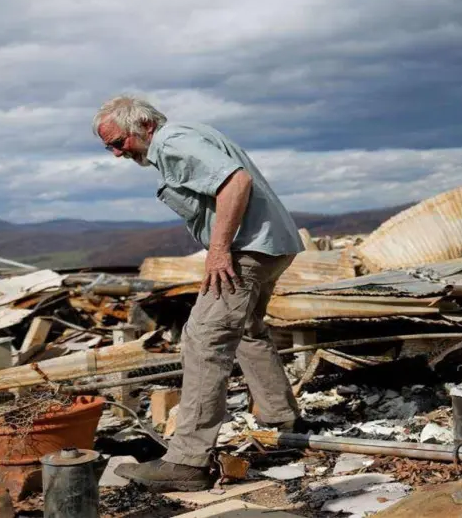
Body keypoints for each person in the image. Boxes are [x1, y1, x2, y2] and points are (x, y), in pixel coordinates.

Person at [92, 95, 306, 492]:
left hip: (247, 249)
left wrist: (220, 249)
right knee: (246, 331)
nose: (117, 154)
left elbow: (235, 182)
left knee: (204, 340)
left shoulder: (172, 142)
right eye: (110, 147)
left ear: (144, 127)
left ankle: (187, 461)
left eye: (118, 143)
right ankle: (283, 422)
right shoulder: (185, 136)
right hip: (271, 244)